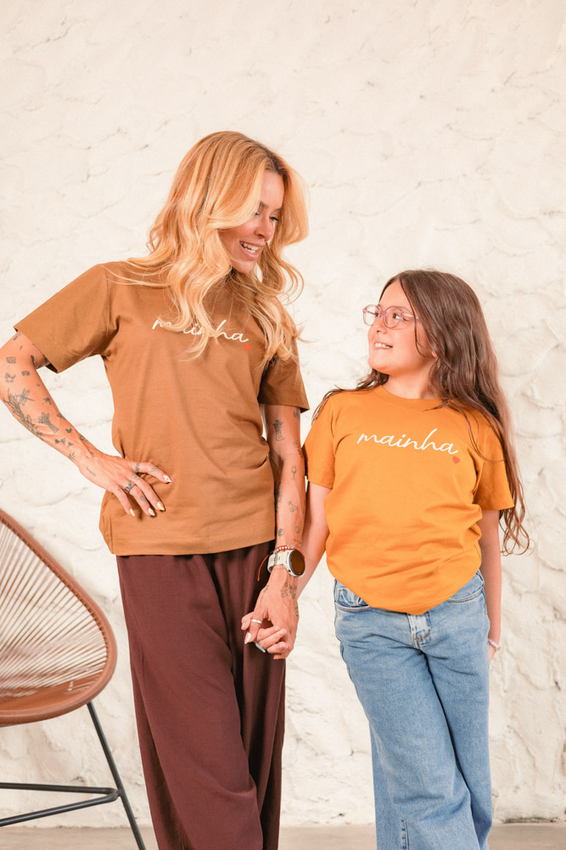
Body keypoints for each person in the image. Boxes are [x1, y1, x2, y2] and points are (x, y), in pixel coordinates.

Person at [0, 131, 310, 850]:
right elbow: (14, 364)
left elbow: (288, 457)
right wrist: (90, 459)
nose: (265, 230)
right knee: (204, 762)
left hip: (256, 553)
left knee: (252, 761)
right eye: (254, 210)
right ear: (210, 199)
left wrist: (284, 575)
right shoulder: (118, 286)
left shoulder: (266, 313)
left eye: (274, 216)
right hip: (159, 548)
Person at [298, 270, 529, 850]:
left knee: (464, 783)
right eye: (377, 312)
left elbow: (486, 537)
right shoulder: (342, 412)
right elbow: (316, 524)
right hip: (371, 622)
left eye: (398, 315)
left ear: (443, 333)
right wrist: (284, 594)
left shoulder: (475, 426)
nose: (380, 325)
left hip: (458, 615)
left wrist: (492, 628)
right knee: (428, 784)